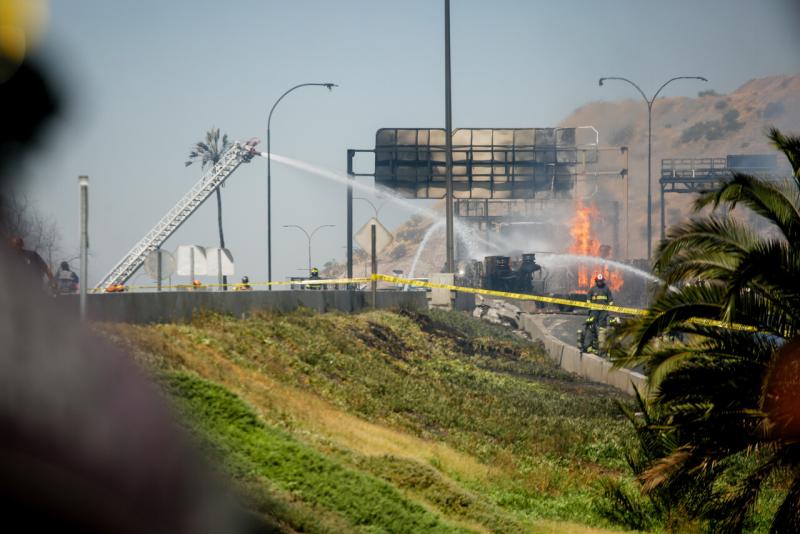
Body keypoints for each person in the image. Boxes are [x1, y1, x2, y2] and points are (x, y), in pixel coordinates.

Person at [580, 273, 614, 354]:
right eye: (598, 281)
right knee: (591, 326)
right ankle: (592, 345)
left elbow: (610, 298)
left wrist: (610, 305)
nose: (600, 282)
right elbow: (588, 296)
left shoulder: (606, 288)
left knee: (602, 327)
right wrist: (589, 304)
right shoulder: (593, 288)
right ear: (596, 281)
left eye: (601, 281)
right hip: (594, 310)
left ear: (603, 281)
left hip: (603, 311)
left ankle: (602, 346)